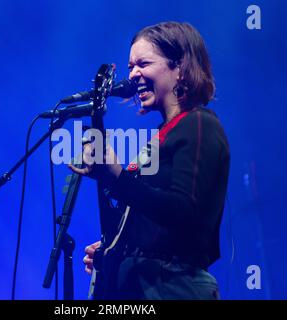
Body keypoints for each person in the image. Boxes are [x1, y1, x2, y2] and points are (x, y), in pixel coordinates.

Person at [69, 21, 230, 300]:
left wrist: (118, 177)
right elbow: (148, 213)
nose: (133, 76)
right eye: (130, 66)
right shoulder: (159, 136)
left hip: (175, 287)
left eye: (143, 63)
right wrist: (116, 247)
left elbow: (184, 211)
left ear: (179, 67)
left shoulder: (200, 124)